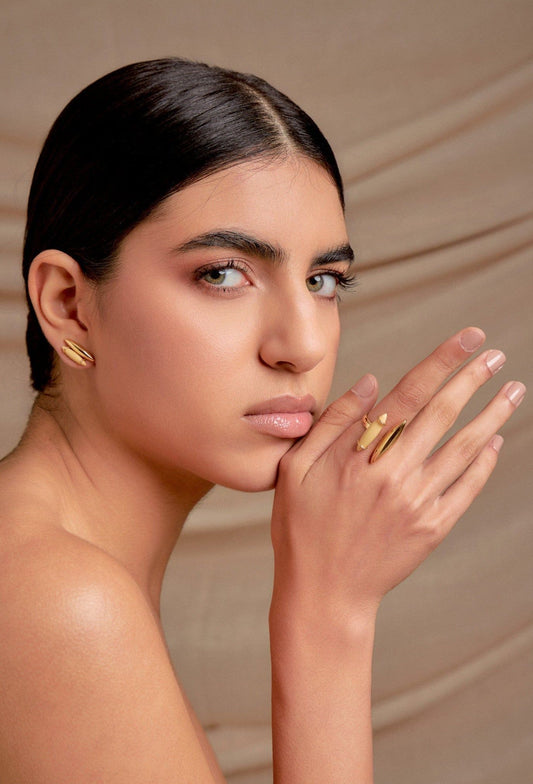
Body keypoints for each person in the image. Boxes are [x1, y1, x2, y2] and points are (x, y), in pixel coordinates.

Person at [0, 57, 525, 783]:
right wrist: (329, 614)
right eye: (223, 274)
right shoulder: (55, 601)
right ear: (67, 304)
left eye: (323, 281)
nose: (302, 345)